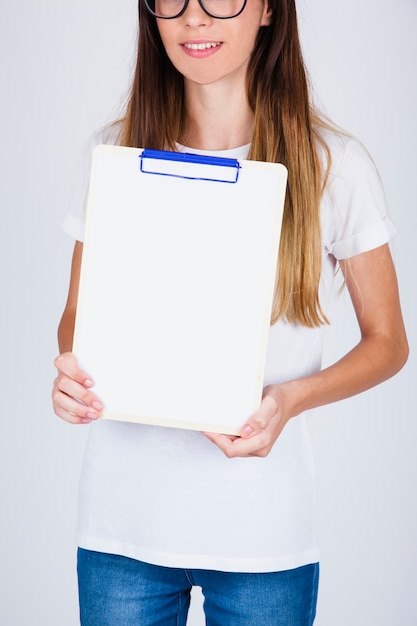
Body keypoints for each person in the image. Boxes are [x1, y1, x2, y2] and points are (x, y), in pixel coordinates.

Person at [52, 1, 409, 624]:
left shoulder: (332, 164)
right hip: (122, 528)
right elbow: (79, 312)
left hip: (261, 535)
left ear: (269, 9)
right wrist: (74, 375)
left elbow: (388, 342)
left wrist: (291, 398)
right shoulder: (114, 152)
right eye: (174, 0)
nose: (196, 18)